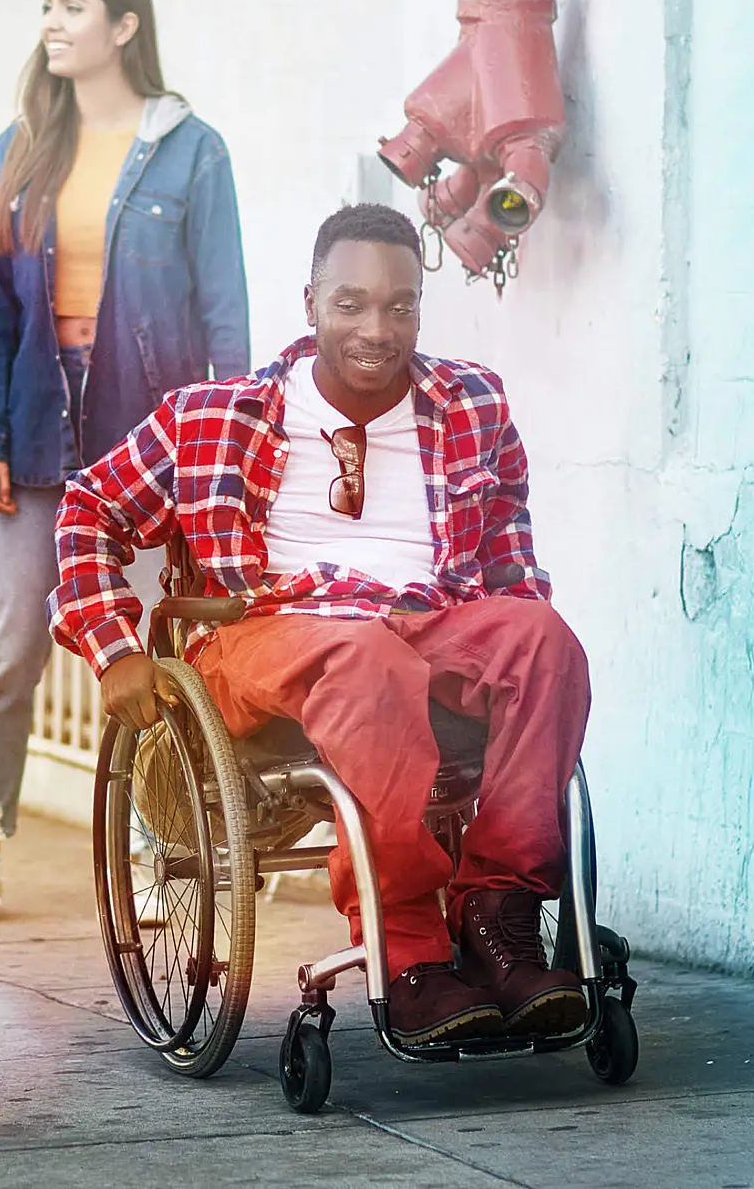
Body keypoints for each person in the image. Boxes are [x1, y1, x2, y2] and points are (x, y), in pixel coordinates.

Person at [51, 203, 592, 1047]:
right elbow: (90, 509)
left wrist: (523, 672)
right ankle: (407, 949)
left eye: (400, 306)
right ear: (311, 304)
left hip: (428, 619)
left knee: (543, 641)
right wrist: (114, 649)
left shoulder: (472, 404)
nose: (377, 329)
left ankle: (500, 919)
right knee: (364, 656)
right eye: (351, 304)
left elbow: (509, 564)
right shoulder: (213, 416)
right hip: (267, 630)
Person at [0, 0, 251, 926]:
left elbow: (226, 314)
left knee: (155, 649)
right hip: (39, 430)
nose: (52, 21)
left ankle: (161, 846)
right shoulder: (20, 149)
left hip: (148, 442)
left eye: (71, 7)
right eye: (46, 6)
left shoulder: (191, 152)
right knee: (9, 650)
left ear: (124, 27)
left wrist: (226, 450)